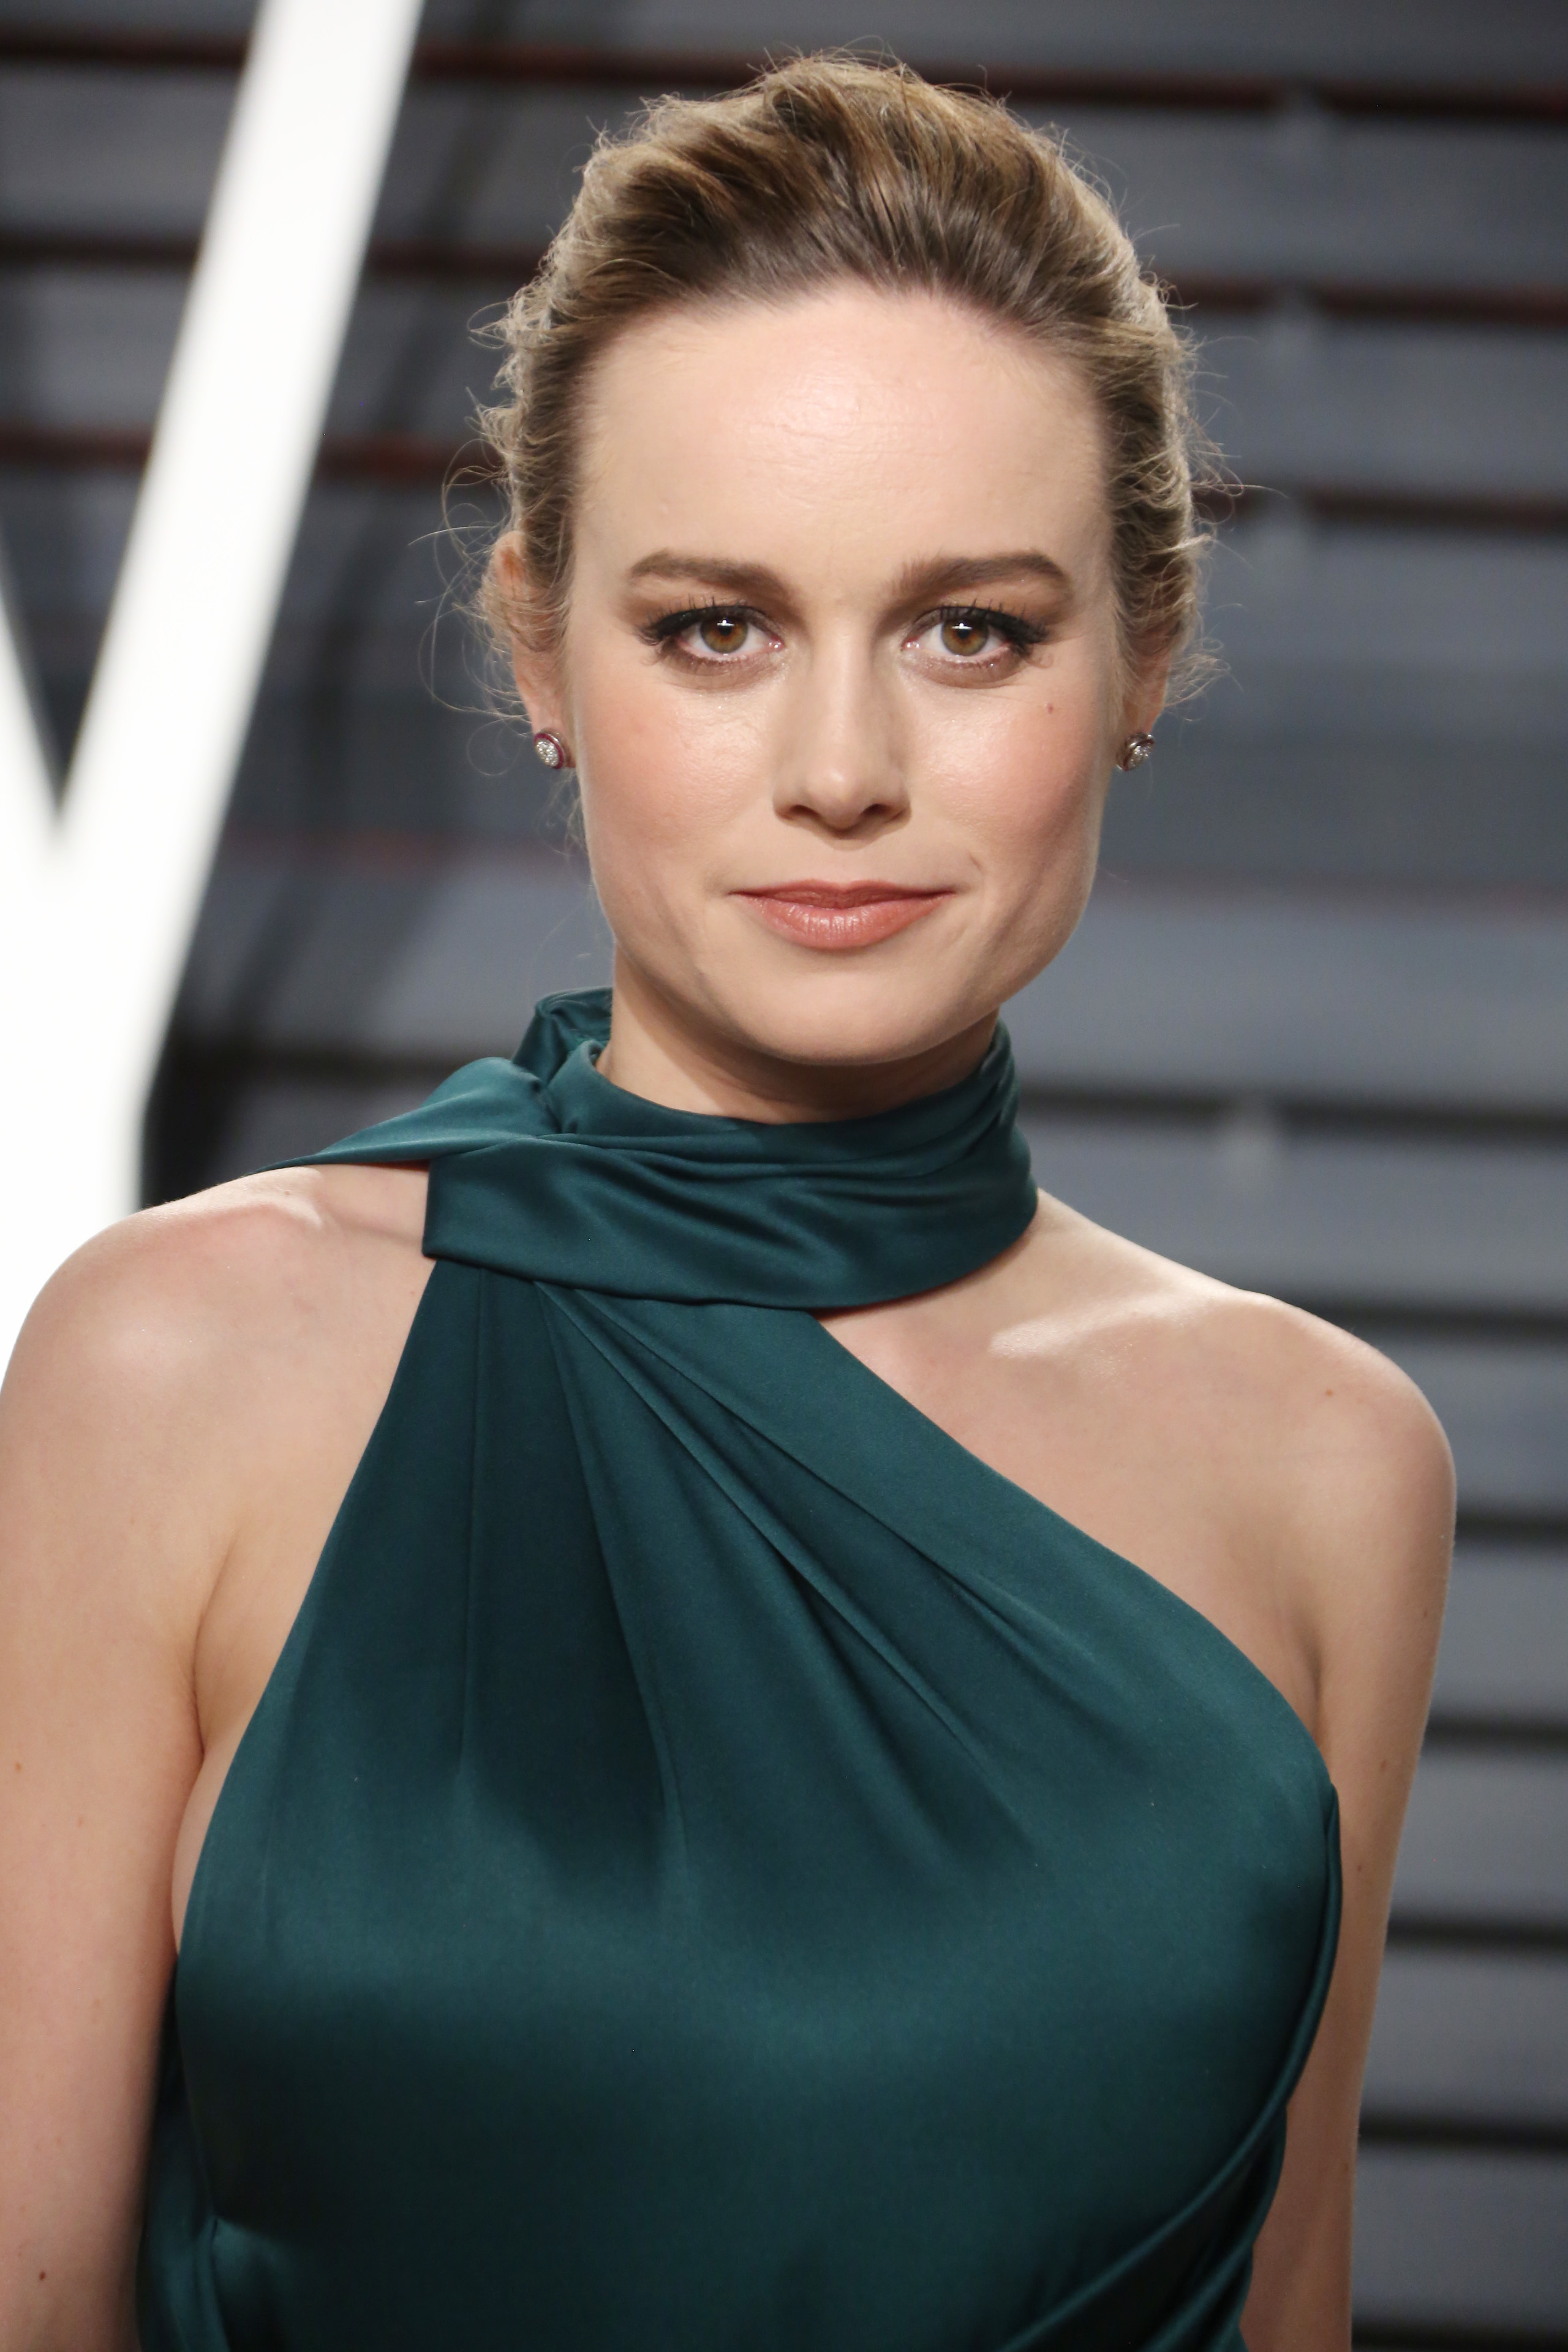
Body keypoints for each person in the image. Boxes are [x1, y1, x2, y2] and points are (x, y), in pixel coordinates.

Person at [0, 54, 1452, 2352]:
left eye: (971, 629)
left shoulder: (1327, 1467)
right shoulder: (172, 1370)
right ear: (539, 650)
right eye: (716, 628)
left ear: (1144, 655)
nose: (843, 772)